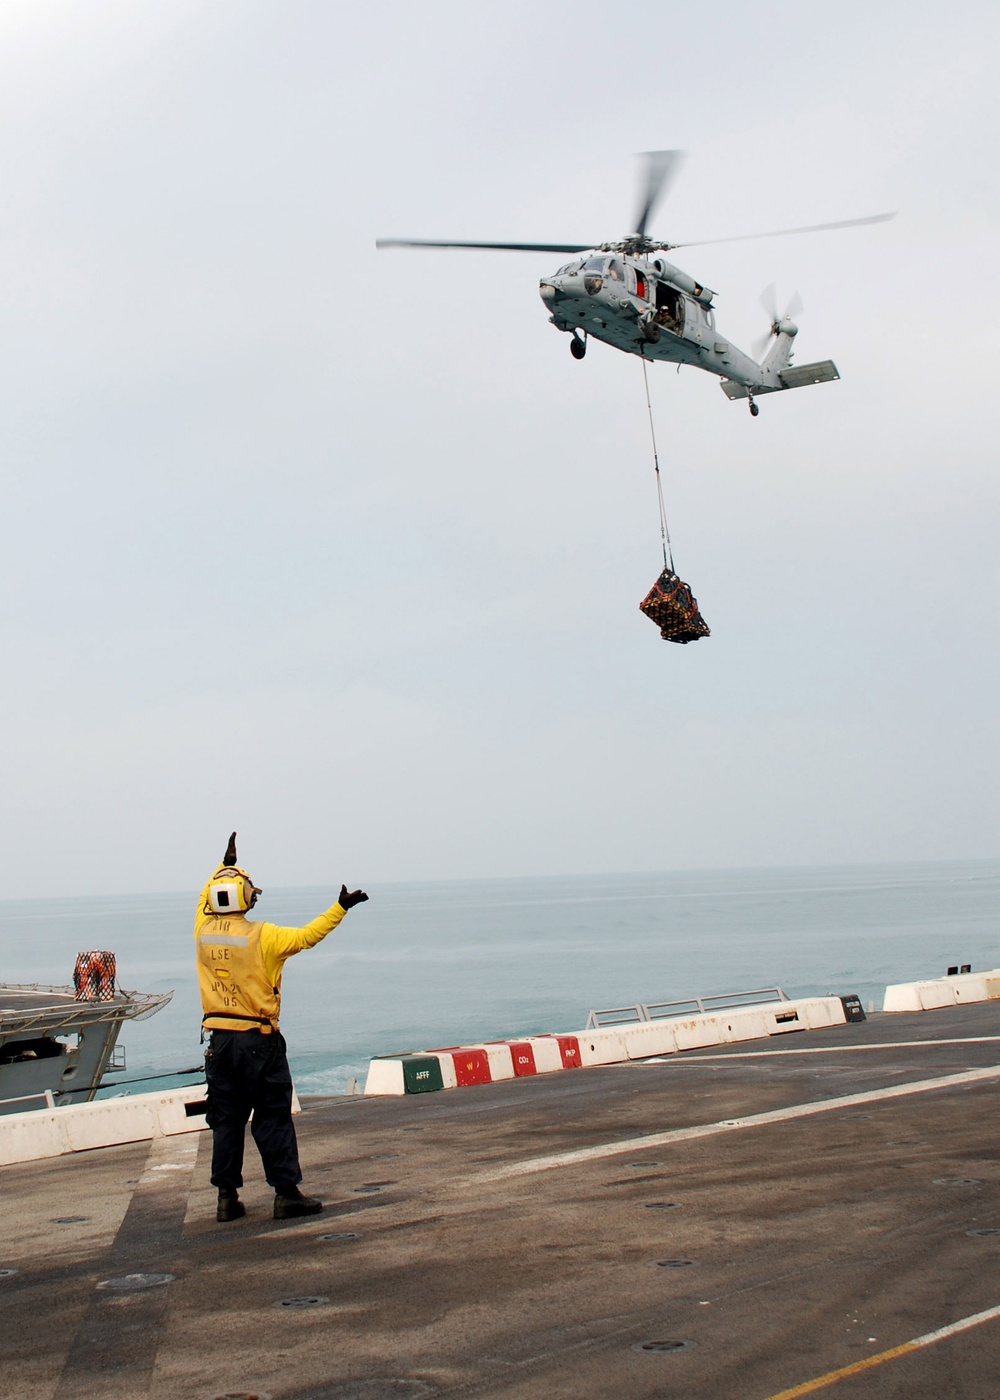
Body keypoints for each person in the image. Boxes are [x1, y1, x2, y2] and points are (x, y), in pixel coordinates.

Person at [194, 832, 368, 1223]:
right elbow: (308, 936)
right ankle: (286, 1194)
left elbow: (204, 897)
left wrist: (224, 866)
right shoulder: (264, 936)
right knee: (272, 1116)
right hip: (258, 1041)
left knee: (226, 1119)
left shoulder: (202, 931)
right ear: (245, 899)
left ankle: (226, 1197)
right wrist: (340, 907)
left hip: (219, 1042)